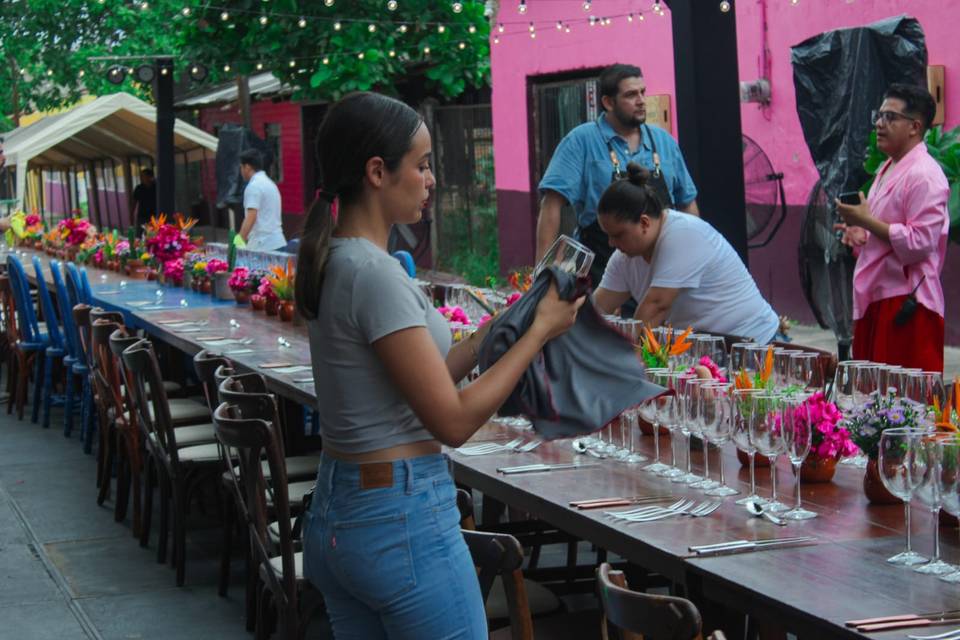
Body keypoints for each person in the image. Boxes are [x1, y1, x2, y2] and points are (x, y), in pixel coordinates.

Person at [296, 92, 583, 639]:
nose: (432, 180)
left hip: (344, 512)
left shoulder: (340, 259)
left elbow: (419, 381)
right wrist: (541, 332)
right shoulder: (374, 275)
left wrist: (503, 327)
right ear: (377, 172)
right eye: (423, 166)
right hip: (398, 518)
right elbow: (451, 421)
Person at [537, 63, 699, 288]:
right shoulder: (581, 140)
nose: (641, 100)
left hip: (660, 269)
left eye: (643, 92)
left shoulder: (665, 142)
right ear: (608, 102)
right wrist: (542, 273)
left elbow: (688, 204)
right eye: (631, 95)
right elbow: (551, 204)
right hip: (600, 268)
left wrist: (691, 257)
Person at [592, 163, 779, 344]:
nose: (611, 243)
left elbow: (656, 305)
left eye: (618, 235)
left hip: (751, 341)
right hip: (703, 348)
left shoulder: (683, 234)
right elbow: (596, 309)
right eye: (608, 235)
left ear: (644, 223)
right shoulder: (623, 258)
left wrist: (625, 364)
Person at [835, 83, 949, 372]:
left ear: (914, 127)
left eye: (890, 117)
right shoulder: (888, 167)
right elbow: (883, 230)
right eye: (879, 115)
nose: (879, 124)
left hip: (907, 301)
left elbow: (920, 243)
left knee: (903, 399)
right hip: (878, 294)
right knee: (873, 394)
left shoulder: (925, 175)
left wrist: (866, 221)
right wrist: (860, 234)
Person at [239, 149, 287, 251]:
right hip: (278, 241)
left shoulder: (254, 186)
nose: (241, 171)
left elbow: (251, 217)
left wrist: (238, 242)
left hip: (263, 246)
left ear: (247, 167)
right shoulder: (270, 184)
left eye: (241, 167)